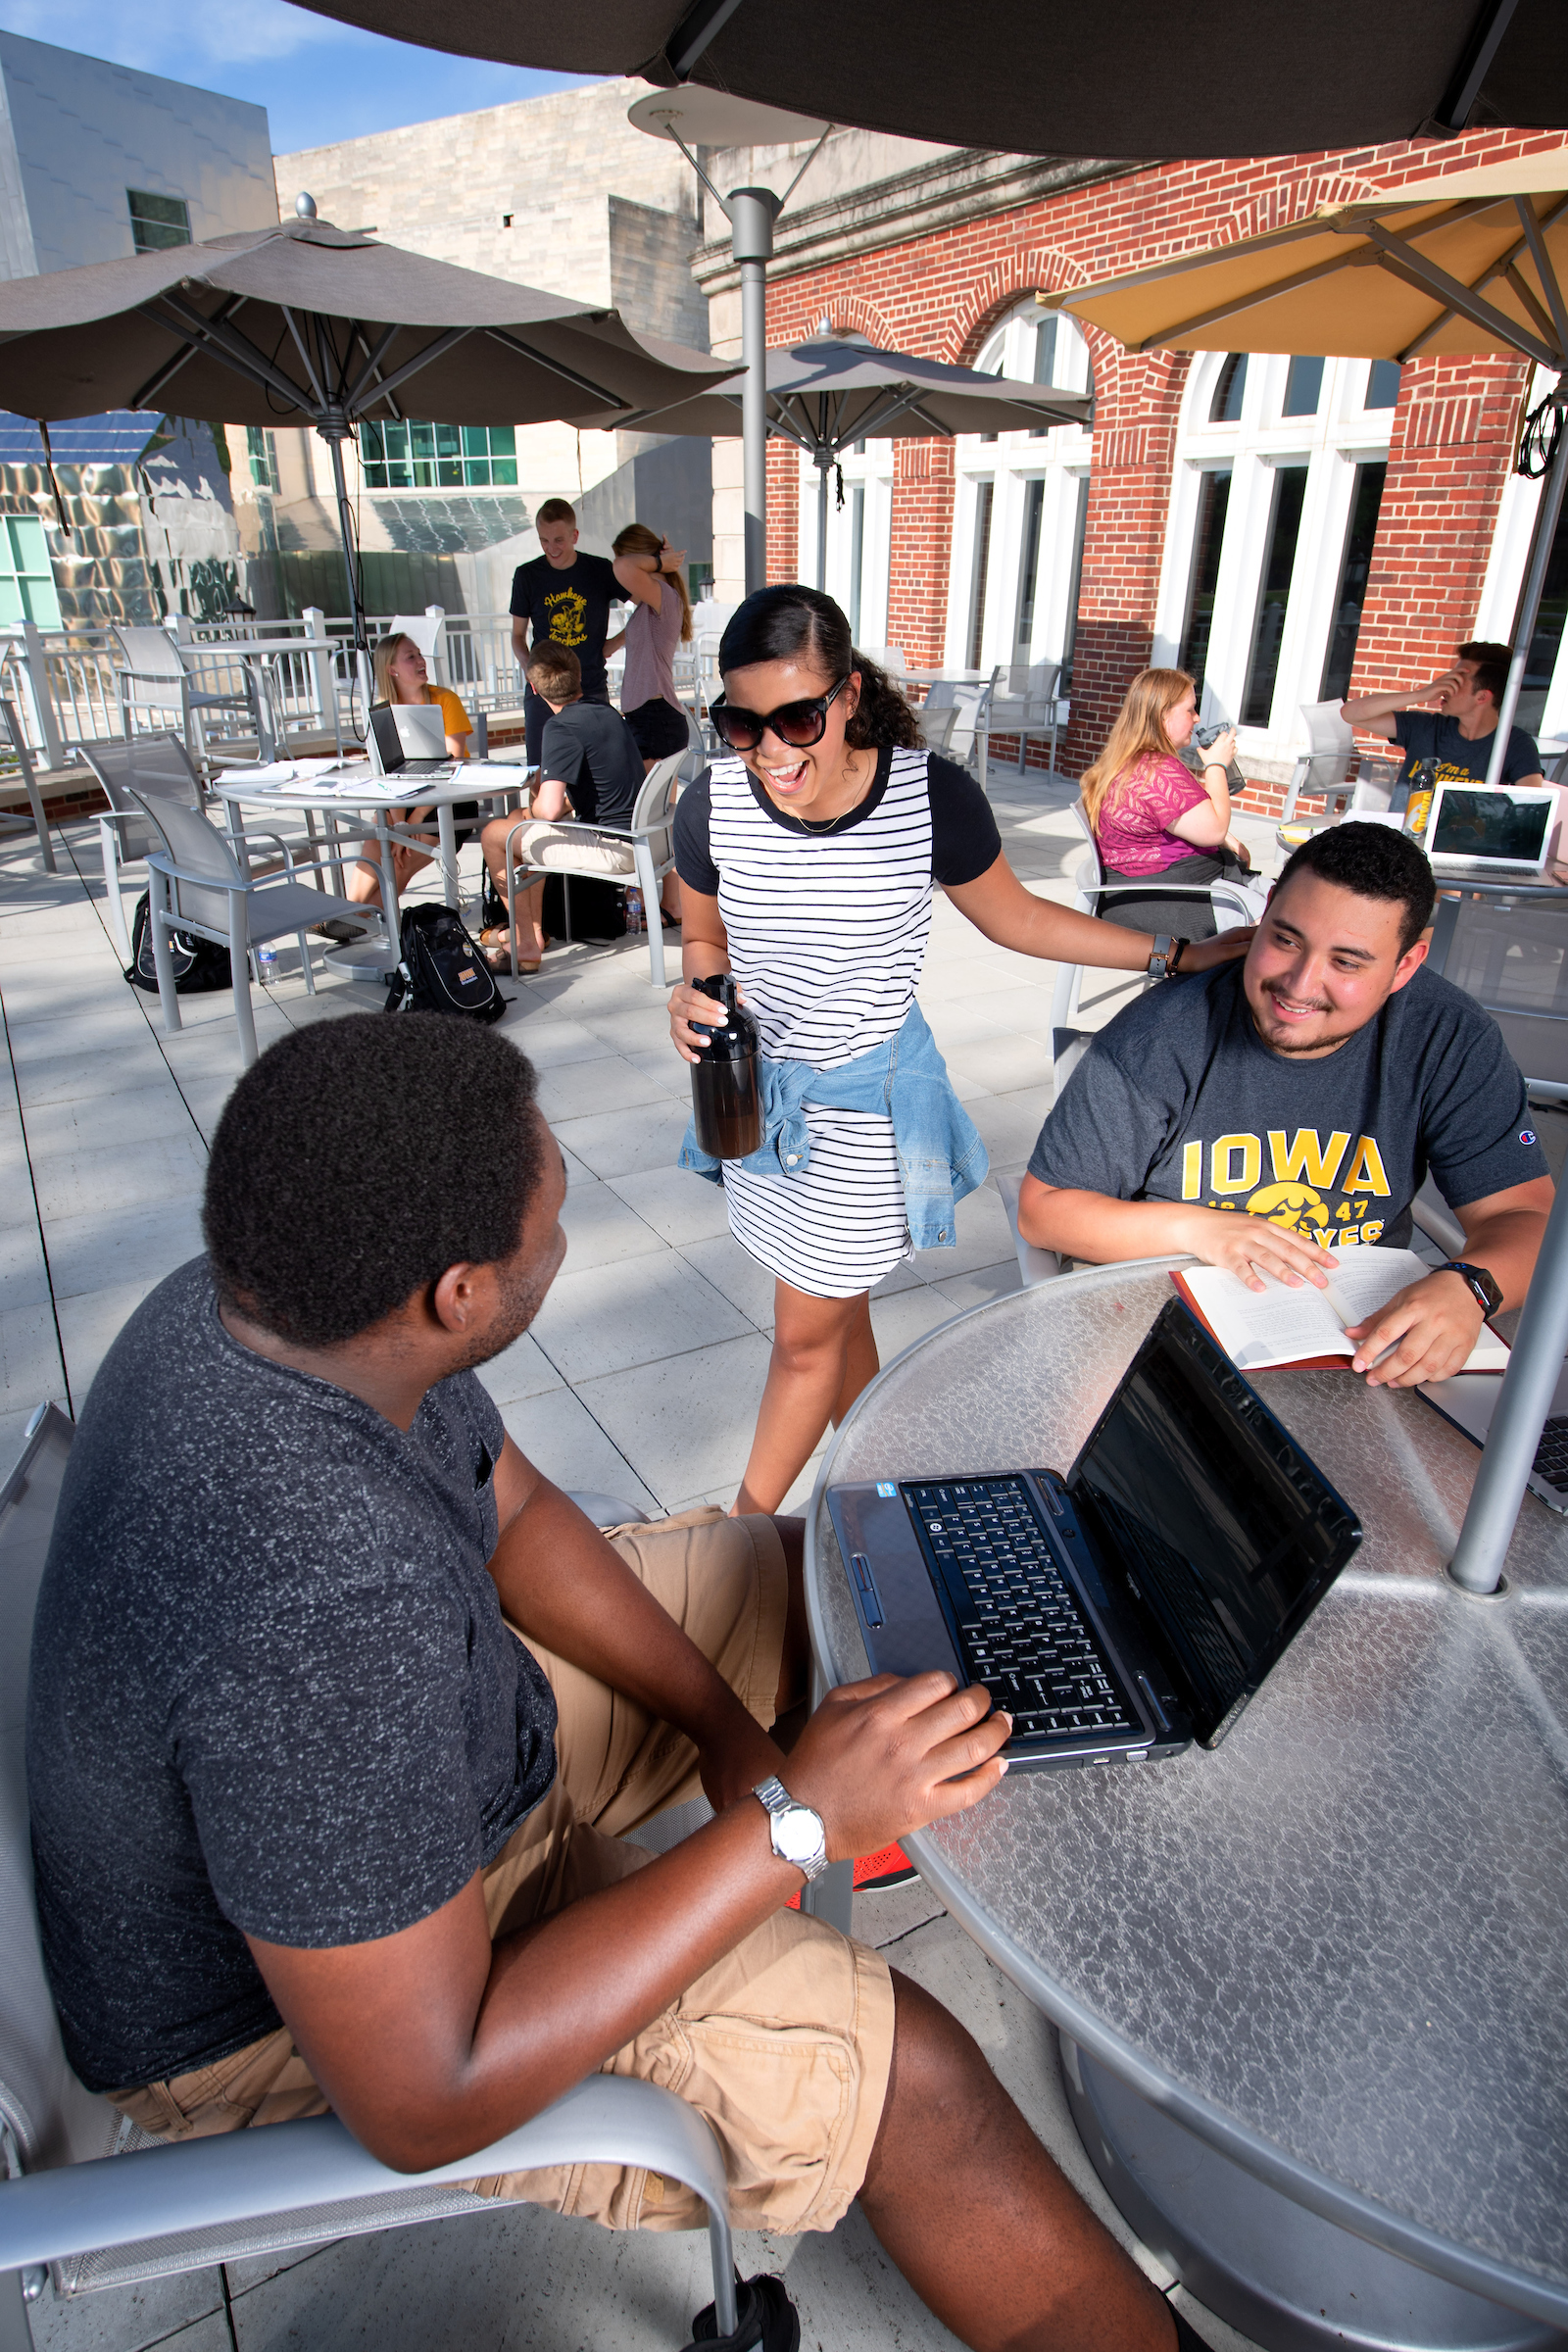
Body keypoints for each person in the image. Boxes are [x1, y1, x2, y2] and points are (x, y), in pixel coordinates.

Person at [27, 1013, 1195, 2352]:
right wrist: (796, 1828)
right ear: (458, 1294)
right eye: (550, 1212)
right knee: (921, 2079)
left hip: (432, 1764)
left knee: (821, 1582)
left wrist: (719, 1723)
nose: (565, 1229)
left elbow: (511, 1509)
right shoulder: (318, 1608)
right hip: (300, 2018)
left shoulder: (280, 1299)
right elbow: (427, 2097)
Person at [669, 584, 1250, 1518]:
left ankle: (737, 1537)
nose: (773, 751)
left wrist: (1172, 953)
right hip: (761, 1109)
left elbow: (1017, 918)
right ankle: (883, 1490)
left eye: (798, 719)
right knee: (837, 1312)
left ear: (849, 696)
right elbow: (704, 939)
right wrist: (692, 990)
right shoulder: (714, 803)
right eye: (743, 724)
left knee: (803, 1342)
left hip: (865, 1114)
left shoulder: (928, 795)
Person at [1017, 823, 1553, 1389]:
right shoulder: (1162, 1034)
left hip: (1357, 1357)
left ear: (1405, 966)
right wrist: (1199, 1228)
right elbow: (1044, 1208)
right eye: (1287, 940)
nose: (1300, 984)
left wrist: (1470, 1286)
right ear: (1266, 908)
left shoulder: (1448, 1037)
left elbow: (1525, 1217)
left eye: (1347, 963)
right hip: (1165, 1350)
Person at [478, 644, 645, 972]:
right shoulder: (607, 713)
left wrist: (533, 811)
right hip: (641, 837)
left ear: (535, 688)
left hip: (613, 847)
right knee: (515, 822)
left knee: (492, 834)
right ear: (579, 676)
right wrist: (529, 815)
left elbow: (550, 809)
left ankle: (524, 946)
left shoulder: (560, 727)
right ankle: (534, 932)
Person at [1081, 667, 1254, 939]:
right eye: (1190, 710)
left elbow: (1191, 822)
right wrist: (1217, 765)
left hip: (1142, 892)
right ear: (1163, 715)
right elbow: (1214, 829)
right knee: (1285, 928)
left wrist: (1222, 840)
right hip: (1165, 902)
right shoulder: (1156, 771)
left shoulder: (1131, 762)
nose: (1197, 719)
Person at [345, 630, 470, 912]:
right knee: (377, 843)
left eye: (419, 654)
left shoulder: (445, 699)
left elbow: (453, 763)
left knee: (399, 863)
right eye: (410, 656)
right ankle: (347, 912)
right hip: (402, 799)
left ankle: (355, 923)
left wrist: (413, 820)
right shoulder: (384, 711)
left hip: (448, 802)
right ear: (392, 669)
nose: (420, 660)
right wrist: (401, 824)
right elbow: (387, 773)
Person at [1342, 641, 1545, 790]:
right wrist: (1421, 694)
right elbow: (1351, 713)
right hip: (1402, 844)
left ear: (1482, 696)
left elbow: (1531, 804)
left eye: (1457, 680)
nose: (1445, 684)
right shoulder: (1427, 727)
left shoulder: (1514, 744)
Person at [510, 498, 621, 768]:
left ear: (574, 536)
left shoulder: (599, 569)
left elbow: (647, 605)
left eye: (558, 540)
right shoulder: (527, 575)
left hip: (590, 684)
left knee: (596, 768)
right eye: (544, 541)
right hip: (543, 691)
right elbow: (517, 636)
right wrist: (531, 670)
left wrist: (612, 645)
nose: (551, 548)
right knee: (541, 769)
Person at [612, 520, 693, 767]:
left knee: (652, 806)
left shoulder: (664, 596)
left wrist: (660, 563)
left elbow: (621, 567)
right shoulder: (646, 609)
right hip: (648, 717)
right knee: (655, 806)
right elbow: (609, 647)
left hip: (655, 718)